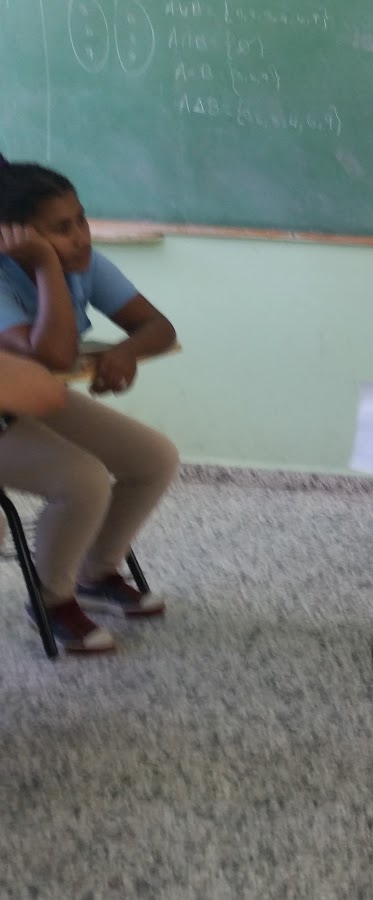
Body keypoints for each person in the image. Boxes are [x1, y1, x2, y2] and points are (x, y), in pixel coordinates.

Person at [0, 161, 181, 654]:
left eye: (80, 219)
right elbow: (55, 356)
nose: (81, 237)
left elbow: (159, 326)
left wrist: (126, 351)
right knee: (83, 480)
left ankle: (96, 574)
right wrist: (45, 266)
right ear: (13, 236)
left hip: (34, 399)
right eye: (61, 229)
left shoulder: (84, 262)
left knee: (154, 458)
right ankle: (52, 599)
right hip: (5, 412)